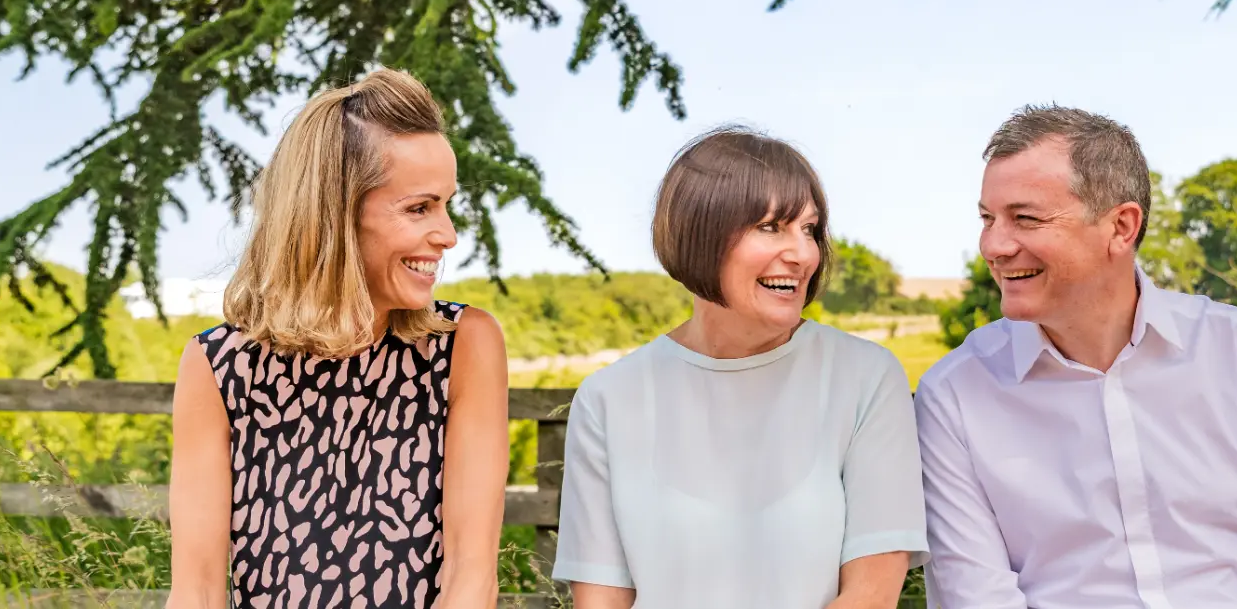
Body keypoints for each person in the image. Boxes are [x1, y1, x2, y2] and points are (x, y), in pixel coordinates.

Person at [916, 105, 1237, 608]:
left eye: (1025, 218)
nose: (993, 246)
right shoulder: (954, 394)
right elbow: (976, 598)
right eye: (987, 219)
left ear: (1121, 226)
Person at [166, 69, 510, 609]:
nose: (448, 235)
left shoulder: (463, 345)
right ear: (336, 214)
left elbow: (471, 578)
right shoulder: (219, 365)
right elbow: (197, 591)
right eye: (419, 207)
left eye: (446, 203)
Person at [552, 128, 928, 609]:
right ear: (700, 234)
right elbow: (602, 600)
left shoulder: (866, 378)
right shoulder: (608, 399)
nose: (803, 254)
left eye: (810, 229)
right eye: (771, 227)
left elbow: (871, 594)